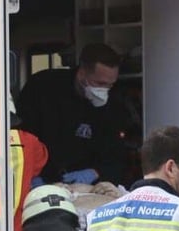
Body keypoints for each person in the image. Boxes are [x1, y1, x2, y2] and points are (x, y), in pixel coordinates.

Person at [16, 43, 139, 186]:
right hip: (43, 178)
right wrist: (31, 175)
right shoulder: (42, 88)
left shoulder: (113, 106)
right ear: (82, 74)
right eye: (99, 83)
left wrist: (96, 172)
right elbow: (22, 138)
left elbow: (116, 155)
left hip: (86, 187)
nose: (104, 90)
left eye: (110, 85)